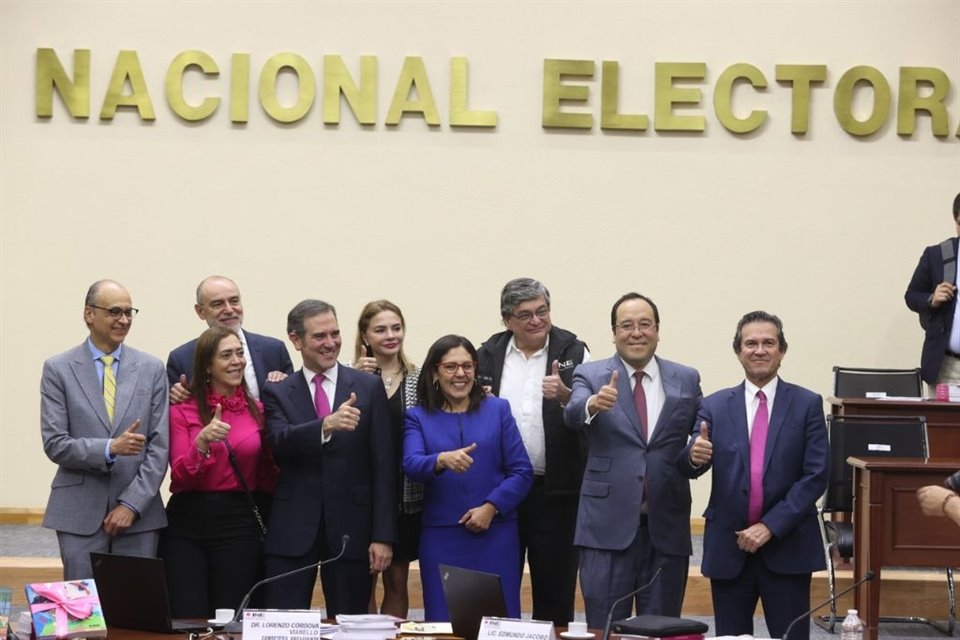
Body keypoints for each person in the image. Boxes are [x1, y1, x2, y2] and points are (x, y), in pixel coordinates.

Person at [678, 311, 829, 640]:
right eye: (751, 343)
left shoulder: (807, 404)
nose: (759, 350)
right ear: (738, 351)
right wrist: (693, 455)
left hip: (787, 545)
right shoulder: (715, 406)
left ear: (782, 351)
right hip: (730, 548)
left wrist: (770, 526)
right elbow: (691, 461)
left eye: (768, 343)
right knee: (731, 638)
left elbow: (815, 475)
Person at [563, 293, 701, 628]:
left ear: (657, 330)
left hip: (665, 527)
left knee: (663, 629)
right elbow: (571, 413)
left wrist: (696, 453)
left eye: (644, 324)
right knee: (605, 627)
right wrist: (593, 404)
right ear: (614, 332)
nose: (636, 333)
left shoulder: (686, 378)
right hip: (605, 529)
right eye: (626, 326)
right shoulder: (591, 374)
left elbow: (699, 433)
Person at [260, 299, 396, 616]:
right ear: (296, 340)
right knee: (283, 625)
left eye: (335, 334)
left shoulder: (368, 386)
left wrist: (383, 536)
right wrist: (325, 425)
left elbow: (384, 465)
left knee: (350, 625)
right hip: (293, 529)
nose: (331, 343)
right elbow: (278, 443)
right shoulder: (279, 390)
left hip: (354, 529)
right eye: (320, 336)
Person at [476, 278, 589, 626]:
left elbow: (592, 411)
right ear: (507, 319)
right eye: (525, 314)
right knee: (494, 586)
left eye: (542, 311)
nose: (536, 320)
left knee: (554, 591)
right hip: (500, 491)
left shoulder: (574, 351)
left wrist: (567, 396)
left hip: (556, 491)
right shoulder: (487, 355)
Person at [40, 280, 169, 580]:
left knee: (135, 611)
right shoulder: (59, 369)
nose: (124, 320)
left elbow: (160, 446)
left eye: (129, 312)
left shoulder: (151, 368)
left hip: (139, 516)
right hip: (78, 514)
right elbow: (55, 443)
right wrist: (110, 448)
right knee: (83, 616)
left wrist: (131, 504)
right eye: (114, 312)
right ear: (89, 314)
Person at [403, 335, 533, 621]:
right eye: (450, 367)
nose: (460, 374)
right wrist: (440, 460)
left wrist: (492, 507)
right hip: (442, 536)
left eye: (467, 365)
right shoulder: (418, 416)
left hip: (496, 533)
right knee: (444, 622)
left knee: (497, 624)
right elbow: (411, 463)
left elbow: (522, 471)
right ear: (435, 372)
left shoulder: (498, 409)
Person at [158, 326, 278, 618]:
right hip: (186, 522)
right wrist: (201, 443)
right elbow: (181, 476)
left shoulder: (259, 411)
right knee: (187, 616)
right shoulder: (182, 410)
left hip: (238, 522)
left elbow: (267, 475)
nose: (236, 361)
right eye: (226, 355)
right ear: (207, 366)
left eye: (240, 353)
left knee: (231, 616)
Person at [352, 300, 422, 617]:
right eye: (380, 330)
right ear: (365, 336)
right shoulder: (349, 380)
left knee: (396, 580)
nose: (390, 336)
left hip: (405, 496)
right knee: (361, 582)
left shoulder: (421, 380)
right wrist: (351, 381)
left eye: (396, 328)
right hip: (362, 496)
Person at [167, 276, 293, 403]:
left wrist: (286, 385)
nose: (228, 310)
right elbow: (176, 411)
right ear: (200, 311)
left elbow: (292, 403)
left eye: (234, 301)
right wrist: (173, 396)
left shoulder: (274, 350)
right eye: (217, 304)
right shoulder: (181, 358)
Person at [904, 193, 960, 391]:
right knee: (942, 422)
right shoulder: (938, 255)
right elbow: (911, 295)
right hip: (947, 367)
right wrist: (931, 299)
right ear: (957, 219)